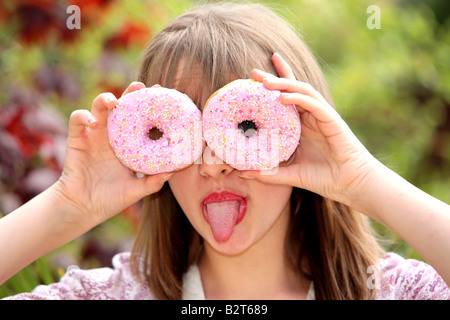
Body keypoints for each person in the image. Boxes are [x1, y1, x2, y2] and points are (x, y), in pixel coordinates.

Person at [1, 2, 449, 300]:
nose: (212, 164)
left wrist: (361, 180)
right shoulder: (109, 294)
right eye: (184, 132)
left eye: (245, 127)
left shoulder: (394, 291)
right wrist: (68, 206)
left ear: (300, 133)